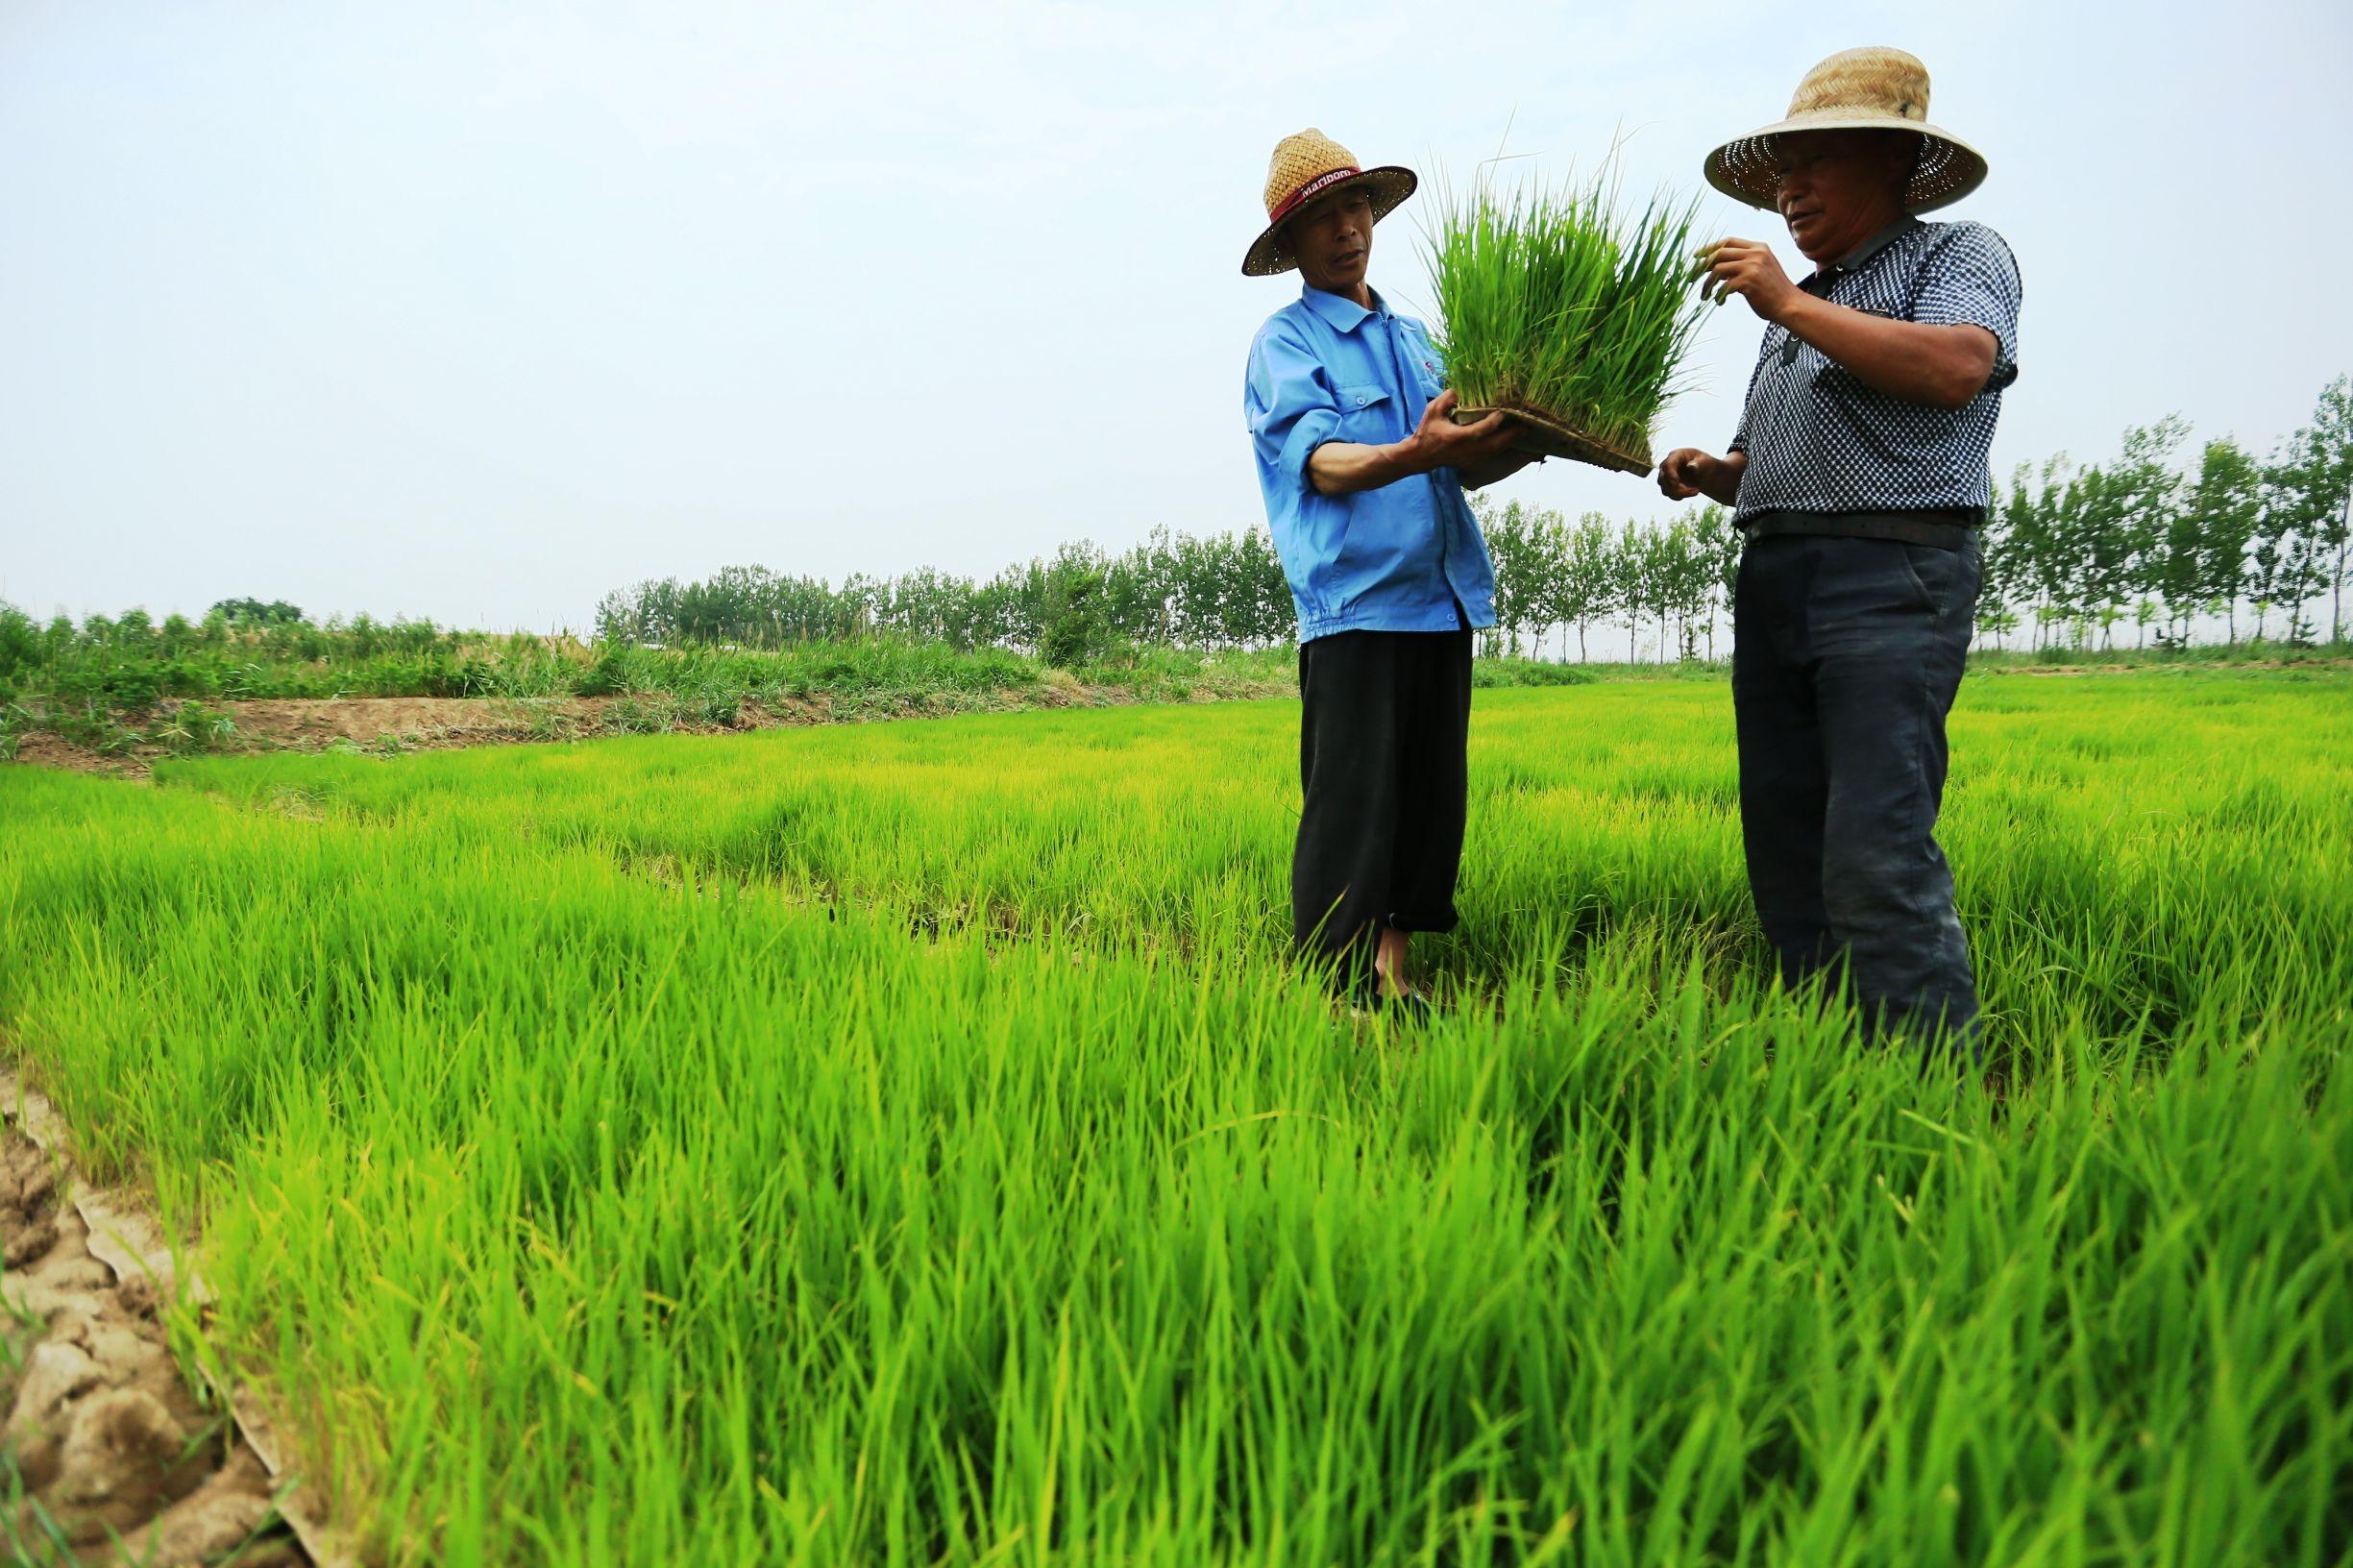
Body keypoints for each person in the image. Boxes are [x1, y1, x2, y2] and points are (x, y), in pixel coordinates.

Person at [1657, 48, 2022, 1047]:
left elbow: (1959, 367)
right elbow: (1772, 452)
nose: (1789, 188)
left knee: (1874, 848)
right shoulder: (1802, 305)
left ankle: (1928, 1088)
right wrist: (1714, 471)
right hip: (1777, 573)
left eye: (1813, 161)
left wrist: (1785, 303)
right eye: (1781, 169)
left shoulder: (1955, 256)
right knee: (1785, 845)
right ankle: (1829, 1061)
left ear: (1892, 164)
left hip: (1889, 574)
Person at [1240, 129, 1535, 1011]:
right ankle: (1333, 995)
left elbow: (1462, 461)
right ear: (1290, 244)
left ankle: (1390, 975)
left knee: (1427, 806)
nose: (1344, 228)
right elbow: (1322, 462)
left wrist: (1532, 433)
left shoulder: (1414, 340)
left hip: (1440, 601)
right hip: (1357, 608)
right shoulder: (1286, 344)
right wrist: (1417, 450)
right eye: (1319, 218)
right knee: (1352, 811)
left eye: (1355, 206)